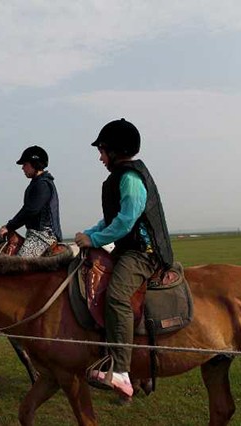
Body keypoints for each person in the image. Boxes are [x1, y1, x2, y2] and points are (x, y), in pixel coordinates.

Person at [74, 119, 173, 397]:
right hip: (127, 249)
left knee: (117, 296)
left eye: (103, 150)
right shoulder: (119, 177)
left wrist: (94, 240)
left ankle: (121, 371)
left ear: (116, 151)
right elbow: (110, 220)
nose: (100, 156)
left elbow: (127, 221)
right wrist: (89, 232)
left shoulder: (130, 178)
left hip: (144, 253)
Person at [0, 145, 63, 257]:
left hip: (43, 236)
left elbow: (30, 210)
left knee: (17, 266)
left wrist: (9, 226)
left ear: (35, 164)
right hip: (34, 234)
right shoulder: (37, 183)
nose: (22, 168)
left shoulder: (43, 185)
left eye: (25, 164)